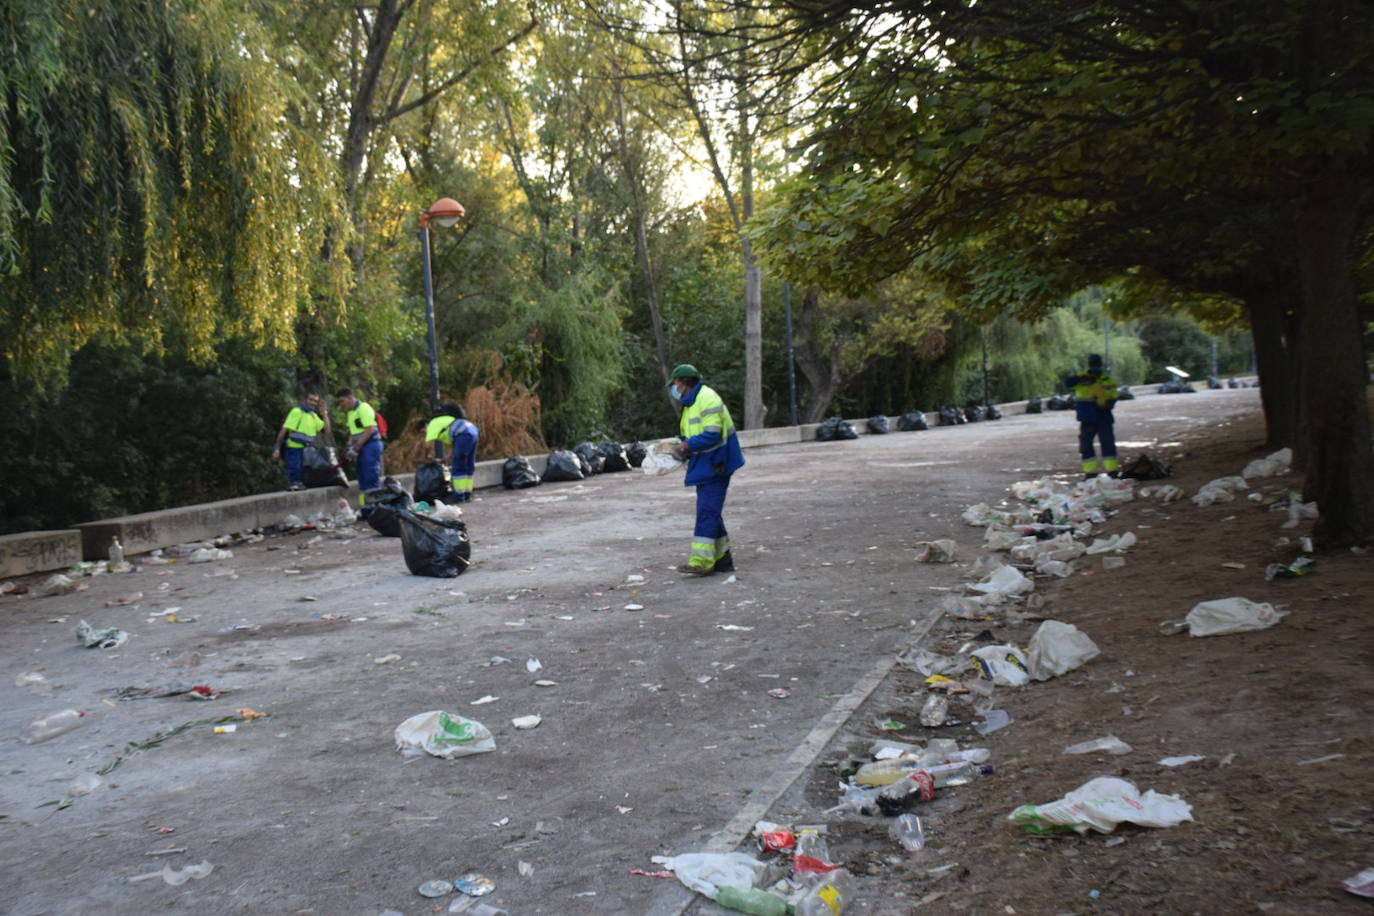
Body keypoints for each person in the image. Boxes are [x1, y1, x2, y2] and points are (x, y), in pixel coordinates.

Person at [667, 364, 746, 575]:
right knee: (711, 512)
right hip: (708, 463)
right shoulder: (692, 401)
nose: (674, 388)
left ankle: (701, 562)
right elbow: (692, 433)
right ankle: (722, 559)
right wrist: (681, 443)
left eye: (675, 384)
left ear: (683, 383)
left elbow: (712, 434)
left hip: (717, 463)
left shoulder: (707, 398)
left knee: (707, 512)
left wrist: (686, 446)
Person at [1065, 354, 1119, 478]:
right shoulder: (1082, 379)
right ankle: (1091, 473)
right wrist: (1081, 378)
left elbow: (1114, 395)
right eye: (1093, 364)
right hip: (1087, 418)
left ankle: (1112, 472)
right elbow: (1068, 383)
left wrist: (1108, 405)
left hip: (1104, 416)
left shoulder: (1107, 380)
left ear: (1100, 365)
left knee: (1108, 444)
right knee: (1085, 446)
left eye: (1097, 364)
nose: (1095, 366)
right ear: (1089, 365)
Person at [336, 388, 384, 516]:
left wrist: (356, 447)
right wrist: (349, 446)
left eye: (342, 401)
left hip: (370, 445)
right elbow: (354, 433)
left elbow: (370, 429)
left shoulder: (364, 408)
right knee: (362, 478)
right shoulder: (351, 413)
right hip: (362, 447)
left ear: (351, 397)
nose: (341, 405)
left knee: (371, 476)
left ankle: (376, 507)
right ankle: (366, 508)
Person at [424, 403, 480, 501]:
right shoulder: (448, 420)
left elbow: (427, 445)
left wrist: (428, 458)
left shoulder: (432, 424)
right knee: (468, 465)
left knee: (458, 466)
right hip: (473, 432)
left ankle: (459, 495)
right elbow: (453, 444)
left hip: (463, 435)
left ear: (424, 426)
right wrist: (448, 457)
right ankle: (467, 493)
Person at [271, 393, 326, 490]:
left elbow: (326, 429)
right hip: (294, 447)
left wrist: (324, 414)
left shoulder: (313, 416)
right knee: (295, 470)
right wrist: (277, 449)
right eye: (311, 400)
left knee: (306, 473)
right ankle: (294, 484)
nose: (313, 403)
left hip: (307, 450)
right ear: (305, 400)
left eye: (315, 401)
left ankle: (299, 484)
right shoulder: (297, 412)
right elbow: (284, 429)